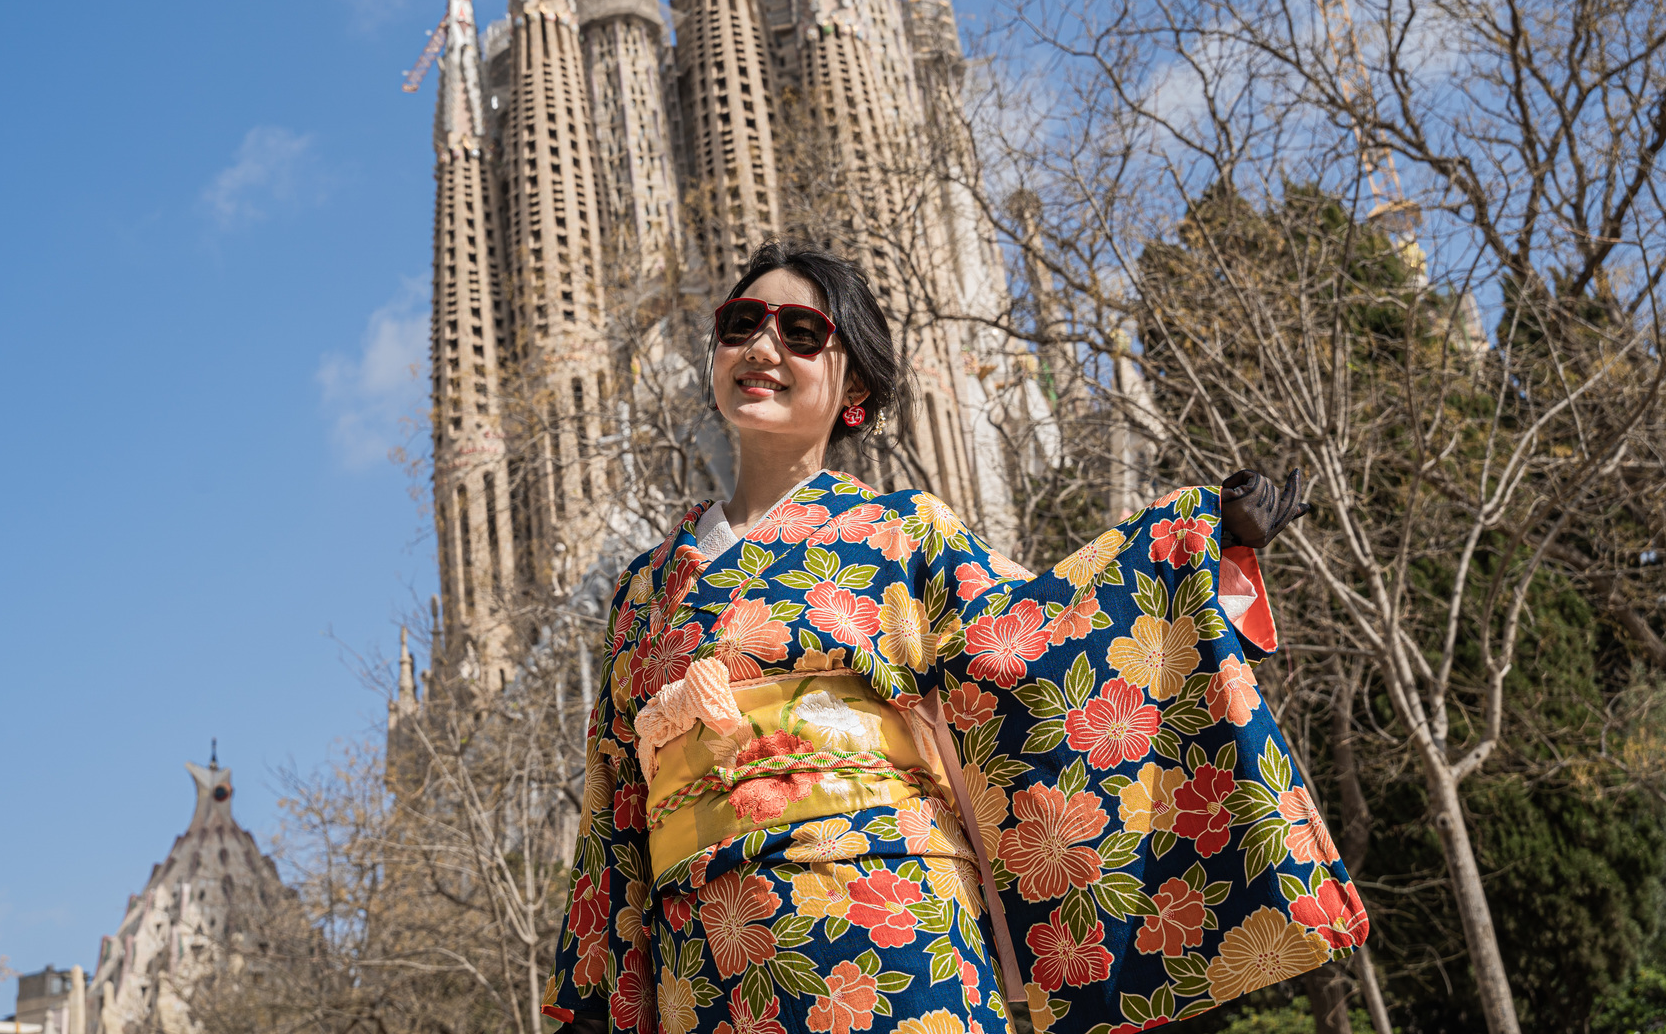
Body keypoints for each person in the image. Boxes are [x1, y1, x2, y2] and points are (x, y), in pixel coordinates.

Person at [543, 242, 1364, 1034]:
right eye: (740, 324)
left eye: (800, 333)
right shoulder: (645, 586)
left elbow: (1041, 641)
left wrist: (1205, 539)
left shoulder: (902, 532)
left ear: (852, 385)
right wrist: (595, 992)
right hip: (702, 951)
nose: (763, 346)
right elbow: (614, 794)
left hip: (886, 914)